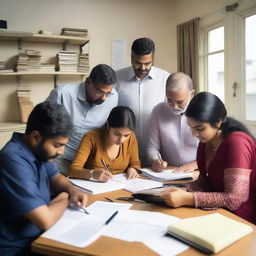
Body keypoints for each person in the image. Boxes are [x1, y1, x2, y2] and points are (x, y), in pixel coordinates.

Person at [0, 101, 88, 256]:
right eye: (57, 145)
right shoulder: (11, 159)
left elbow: (56, 178)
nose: (61, 152)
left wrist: (73, 191)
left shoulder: (39, 151)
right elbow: (45, 220)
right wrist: (65, 197)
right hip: (18, 249)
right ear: (35, 137)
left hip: (40, 238)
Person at [160, 92, 256, 224]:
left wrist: (188, 198)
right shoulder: (207, 142)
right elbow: (205, 183)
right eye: (191, 127)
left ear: (217, 122)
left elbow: (234, 199)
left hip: (241, 219)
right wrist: (184, 189)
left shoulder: (237, 143)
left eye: (200, 128)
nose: (194, 134)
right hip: (219, 212)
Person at [46, 64, 118, 176]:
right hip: (59, 159)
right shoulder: (62, 94)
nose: (104, 98)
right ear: (88, 81)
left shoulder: (113, 97)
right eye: (99, 92)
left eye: (108, 93)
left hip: (88, 161)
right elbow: (44, 127)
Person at [116, 38, 170, 164]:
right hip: (123, 153)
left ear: (153, 58)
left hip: (157, 154)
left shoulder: (166, 79)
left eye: (148, 63)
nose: (143, 67)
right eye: (138, 63)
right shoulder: (117, 78)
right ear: (131, 58)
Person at [69, 106, 141, 182]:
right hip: (94, 187)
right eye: (116, 134)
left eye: (126, 135)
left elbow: (135, 164)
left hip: (120, 186)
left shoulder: (132, 137)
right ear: (107, 125)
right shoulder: (91, 138)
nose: (121, 140)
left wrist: (133, 169)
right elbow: (73, 170)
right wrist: (92, 174)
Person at [146, 72, 198, 172]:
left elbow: (214, 149)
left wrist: (195, 164)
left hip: (197, 171)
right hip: (168, 172)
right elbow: (152, 146)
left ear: (192, 94)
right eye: (169, 100)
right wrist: (155, 160)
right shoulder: (158, 110)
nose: (174, 106)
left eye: (180, 102)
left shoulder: (202, 111)